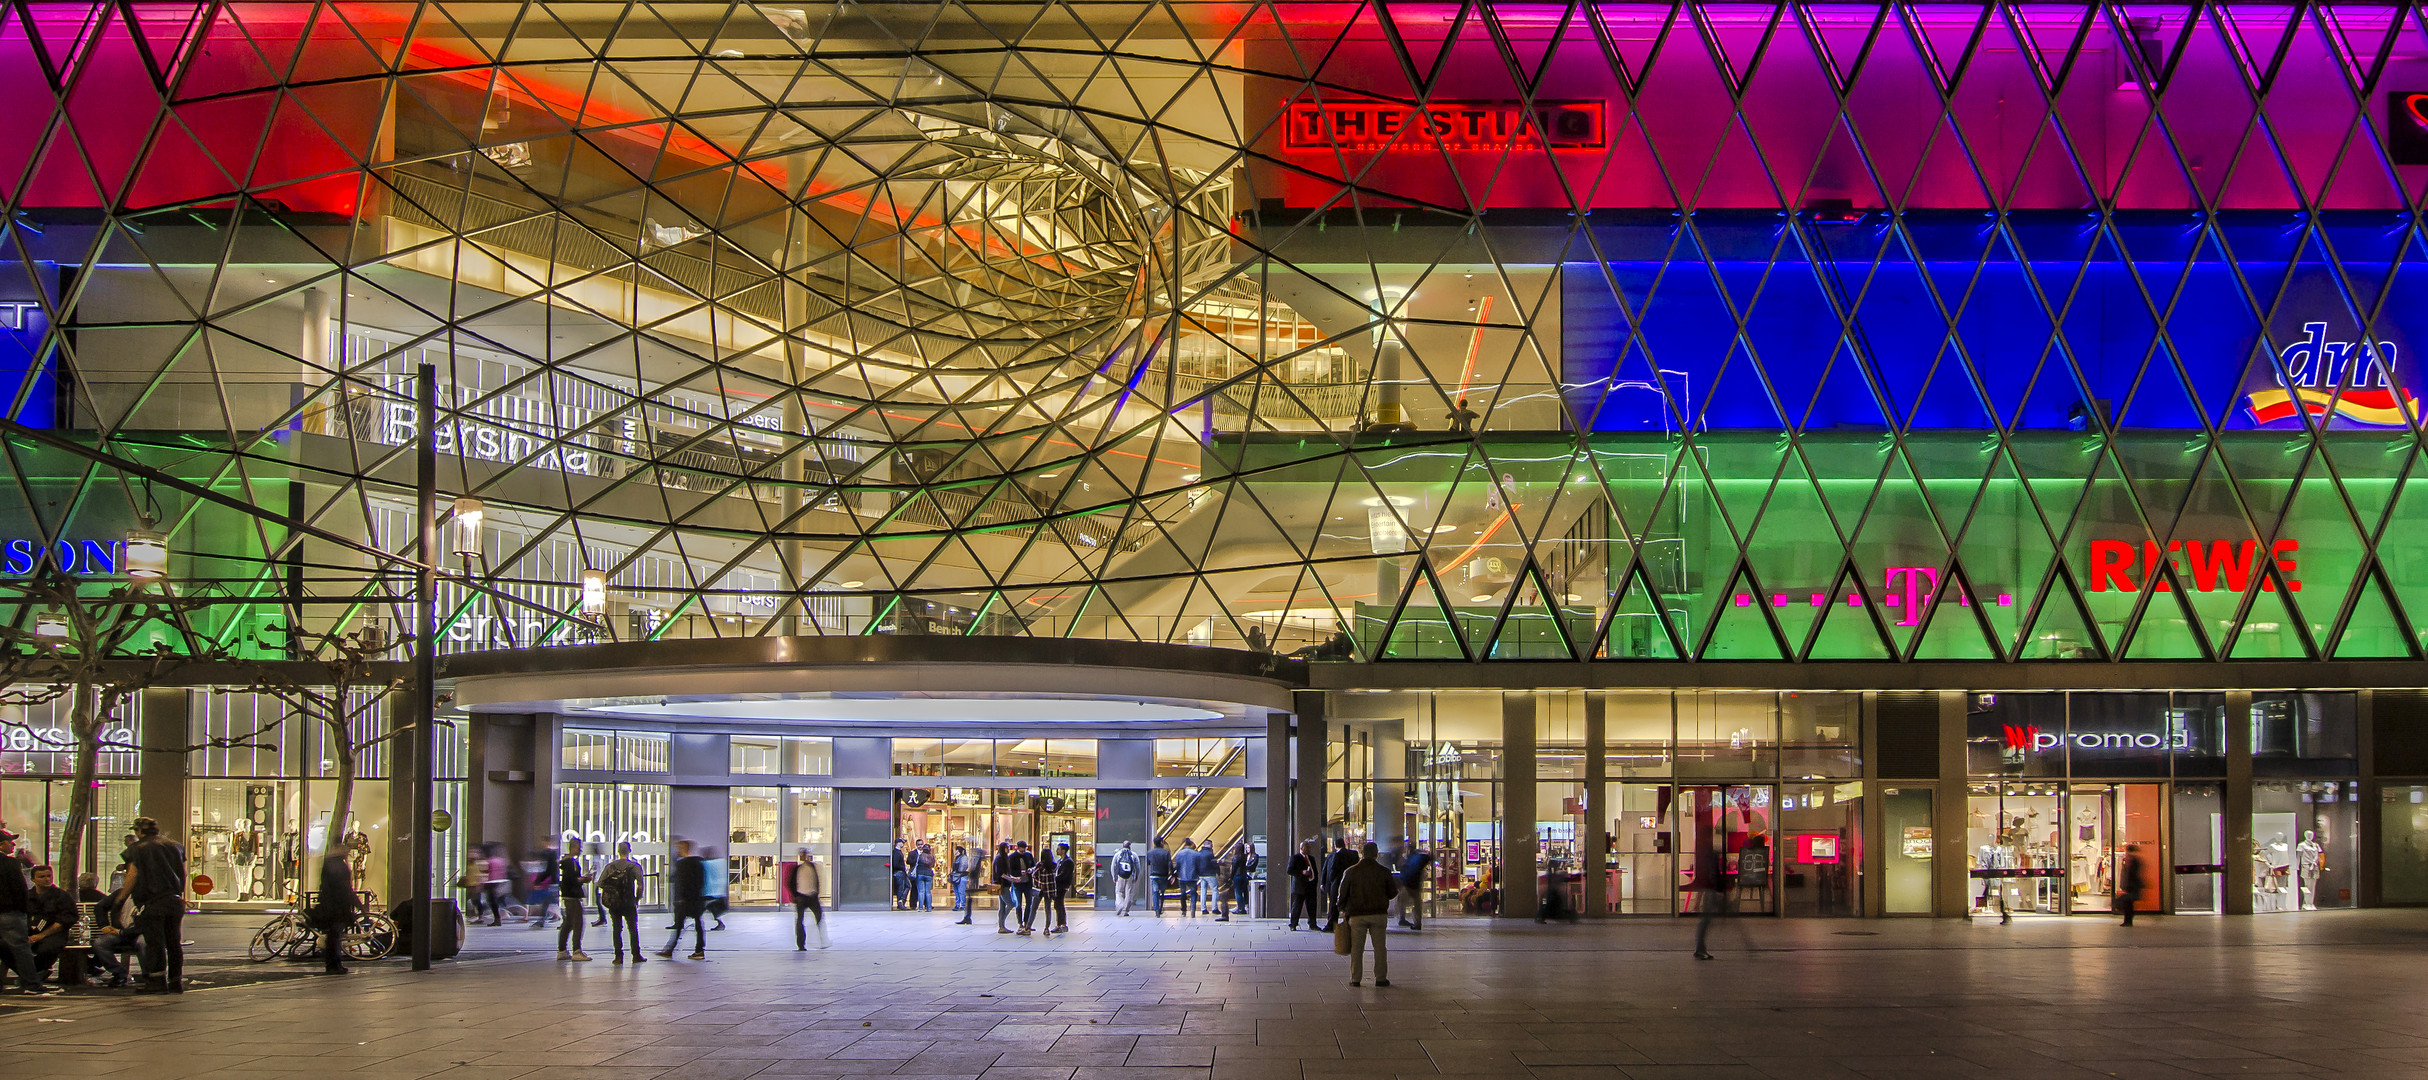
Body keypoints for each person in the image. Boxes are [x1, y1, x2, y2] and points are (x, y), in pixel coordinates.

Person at [122, 816, 185, 993]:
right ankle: (176, 981)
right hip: (174, 901)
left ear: (139, 831)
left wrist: (119, 900)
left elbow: (131, 877)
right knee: (174, 943)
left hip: (152, 902)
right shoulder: (176, 846)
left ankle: (156, 982)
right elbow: (183, 873)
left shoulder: (136, 849)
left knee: (155, 943)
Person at [1336, 842, 1393, 987]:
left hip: (1357, 915)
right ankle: (1380, 978)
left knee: (1356, 948)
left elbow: (1342, 894)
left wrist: (1342, 908)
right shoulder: (1384, 871)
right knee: (1380, 948)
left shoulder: (1351, 871)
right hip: (1378, 914)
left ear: (1362, 853)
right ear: (1376, 854)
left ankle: (1355, 979)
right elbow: (1392, 893)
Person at [0, 839, 42, 995]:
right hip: (9, 911)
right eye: (8, 842)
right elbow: (19, 888)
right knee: (21, 949)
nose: (12, 845)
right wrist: (24, 910)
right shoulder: (9, 863)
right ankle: (31, 983)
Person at [658, 839, 708, 960]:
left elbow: (678, 882)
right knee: (698, 924)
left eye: (679, 848)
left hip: (685, 901)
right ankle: (699, 950)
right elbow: (701, 882)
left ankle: (670, 949)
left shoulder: (682, 864)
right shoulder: (698, 863)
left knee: (680, 925)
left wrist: (681, 898)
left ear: (683, 849)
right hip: (696, 899)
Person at [23, 866, 74, 987]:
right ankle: (26, 973)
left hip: (52, 933)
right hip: (28, 932)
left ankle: (34, 972)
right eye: (41, 877)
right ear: (33, 879)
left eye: (48, 876)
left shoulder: (61, 896)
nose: (46, 879)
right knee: (7, 946)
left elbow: (66, 920)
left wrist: (40, 936)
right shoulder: (26, 897)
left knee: (48, 948)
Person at [596, 842, 645, 964]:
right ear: (629, 850)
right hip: (628, 901)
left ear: (618, 851)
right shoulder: (634, 867)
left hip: (614, 902)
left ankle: (618, 956)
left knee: (617, 929)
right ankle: (636, 955)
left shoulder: (610, 867)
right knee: (633, 929)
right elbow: (640, 885)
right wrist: (637, 899)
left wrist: (612, 891)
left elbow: (600, 883)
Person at [84, 876, 136, 988]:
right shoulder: (120, 893)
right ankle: (118, 973)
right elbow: (100, 907)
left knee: (143, 943)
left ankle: (150, 976)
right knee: (100, 943)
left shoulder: (150, 896)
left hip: (139, 932)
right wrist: (104, 926)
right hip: (118, 932)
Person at [1690, 844, 1731, 961]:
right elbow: (1715, 873)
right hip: (1712, 891)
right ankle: (1700, 950)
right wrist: (1719, 890)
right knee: (1706, 920)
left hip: (1709, 890)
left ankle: (1700, 949)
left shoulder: (1703, 855)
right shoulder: (1712, 856)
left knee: (1705, 921)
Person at [557, 841, 591, 961]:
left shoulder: (566, 862)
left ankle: (562, 950)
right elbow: (571, 879)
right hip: (572, 896)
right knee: (578, 922)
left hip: (568, 895)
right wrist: (583, 879)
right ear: (573, 848)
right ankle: (576, 950)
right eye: (578, 848)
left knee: (568, 923)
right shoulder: (570, 863)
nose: (580, 850)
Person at [788, 847, 827, 949]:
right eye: (803, 855)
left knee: (819, 916)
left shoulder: (812, 867)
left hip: (812, 896)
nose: (804, 857)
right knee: (800, 920)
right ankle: (801, 944)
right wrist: (795, 896)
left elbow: (816, 881)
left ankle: (822, 939)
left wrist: (817, 894)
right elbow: (791, 883)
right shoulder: (797, 869)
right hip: (801, 897)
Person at [1320, 838, 1357, 932]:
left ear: (1335, 845)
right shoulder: (1353, 854)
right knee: (1348, 904)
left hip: (1335, 885)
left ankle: (1331, 925)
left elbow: (1328, 870)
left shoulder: (1333, 856)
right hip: (1350, 884)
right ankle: (1349, 924)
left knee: (1333, 905)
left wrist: (1324, 883)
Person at [1039, 843, 1073, 934]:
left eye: (1058, 849)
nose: (1057, 850)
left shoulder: (1068, 862)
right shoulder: (1060, 861)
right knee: (1058, 904)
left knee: (1059, 904)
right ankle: (1061, 924)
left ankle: (1061, 924)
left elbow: (1064, 875)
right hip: (1057, 886)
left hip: (1062, 886)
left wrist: (1053, 879)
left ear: (1063, 851)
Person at [1397, 846, 1434, 930]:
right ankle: (1417, 923)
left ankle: (1402, 919)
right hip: (1414, 884)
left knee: (1402, 901)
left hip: (1407, 883)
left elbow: (1405, 870)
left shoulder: (1411, 858)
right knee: (1417, 904)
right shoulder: (1421, 858)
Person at [526, 841, 560, 930]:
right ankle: (542, 921)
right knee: (548, 902)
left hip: (552, 885)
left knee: (552, 902)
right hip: (553, 884)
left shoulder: (550, 864)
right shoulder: (554, 863)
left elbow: (546, 873)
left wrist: (538, 881)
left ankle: (565, 919)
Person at [1287, 841, 1320, 929]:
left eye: (1309, 847)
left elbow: (1315, 870)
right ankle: (1293, 924)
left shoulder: (1311, 858)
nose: (1309, 849)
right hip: (1300, 886)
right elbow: (1289, 870)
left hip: (1311, 885)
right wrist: (1301, 872)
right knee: (1297, 906)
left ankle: (1312, 924)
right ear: (1301, 848)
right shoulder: (1295, 858)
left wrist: (1315, 880)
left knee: (1312, 906)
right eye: (1307, 847)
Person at [991, 841, 1022, 934]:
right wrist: (1012, 879)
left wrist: (1012, 878)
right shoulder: (1000, 858)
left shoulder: (1001, 858)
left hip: (1003, 884)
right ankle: (1001, 923)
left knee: (1002, 906)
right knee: (1010, 904)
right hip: (1003, 885)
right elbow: (1002, 874)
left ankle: (1002, 926)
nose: (1009, 849)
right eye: (1007, 847)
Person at [1014, 841, 1044, 935]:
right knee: (1018, 904)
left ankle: (1027, 922)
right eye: (1021, 848)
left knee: (1029, 903)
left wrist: (1031, 870)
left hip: (1027, 883)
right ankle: (1020, 923)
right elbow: (1010, 869)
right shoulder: (1012, 857)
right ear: (1017, 847)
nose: (1023, 850)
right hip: (1017, 884)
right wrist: (1019, 872)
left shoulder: (1029, 855)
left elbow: (1034, 865)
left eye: (1024, 848)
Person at [483, 843, 512, 926]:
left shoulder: (489, 861)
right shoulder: (501, 860)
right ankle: (499, 917)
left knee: (492, 901)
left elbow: (487, 872)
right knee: (498, 900)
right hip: (500, 882)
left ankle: (497, 918)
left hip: (491, 883)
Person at [952, 843, 982, 925]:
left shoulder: (965, 858)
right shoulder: (958, 858)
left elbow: (964, 868)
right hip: (959, 877)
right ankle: (964, 913)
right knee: (958, 891)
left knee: (962, 892)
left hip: (962, 877)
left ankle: (964, 910)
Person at [2119, 842, 2147, 927]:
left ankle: (2128, 921)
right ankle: (2127, 921)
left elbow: (2133, 874)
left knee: (2128, 903)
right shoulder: (2132, 859)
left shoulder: (2134, 860)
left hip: (2132, 885)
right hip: (2131, 885)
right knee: (2128, 903)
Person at [701, 846, 729, 930]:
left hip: (710, 891)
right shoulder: (720, 862)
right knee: (707, 906)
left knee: (704, 906)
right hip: (716, 891)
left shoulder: (707, 864)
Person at [1111, 841, 1141, 915]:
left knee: (1119, 892)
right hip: (1130, 876)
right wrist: (1136, 876)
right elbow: (1138, 867)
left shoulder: (1118, 854)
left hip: (1120, 876)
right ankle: (1125, 910)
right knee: (1129, 893)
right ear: (1130, 846)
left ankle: (1120, 904)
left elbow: (1113, 866)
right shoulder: (1134, 855)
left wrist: (1114, 876)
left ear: (1122, 846)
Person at [1145, 838, 1173, 916]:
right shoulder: (1166, 853)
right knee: (1162, 892)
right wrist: (1171, 874)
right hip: (1163, 875)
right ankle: (1160, 907)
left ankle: (1156, 909)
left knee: (1155, 892)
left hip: (1154, 875)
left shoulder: (1150, 853)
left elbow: (1148, 863)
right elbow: (1170, 864)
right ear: (1161, 843)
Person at [1174, 839, 1200, 917]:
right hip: (1193, 877)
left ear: (1184, 845)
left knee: (1183, 893)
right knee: (1193, 893)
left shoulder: (1179, 853)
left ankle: (1184, 910)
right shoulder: (1196, 854)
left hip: (1182, 876)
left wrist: (1175, 874)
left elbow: (1177, 866)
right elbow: (1198, 866)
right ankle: (1192, 910)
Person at [913, 841, 937, 912]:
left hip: (920, 873)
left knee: (921, 891)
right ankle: (929, 907)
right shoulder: (932, 857)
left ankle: (920, 908)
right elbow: (933, 865)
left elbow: (915, 863)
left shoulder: (920, 855)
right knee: (928, 892)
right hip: (929, 874)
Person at [890, 840, 911, 911]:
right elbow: (895, 864)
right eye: (902, 842)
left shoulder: (898, 852)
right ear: (898, 843)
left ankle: (901, 901)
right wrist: (903, 867)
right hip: (899, 872)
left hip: (901, 872)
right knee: (901, 887)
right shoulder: (896, 852)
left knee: (907, 886)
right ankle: (900, 901)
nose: (903, 844)